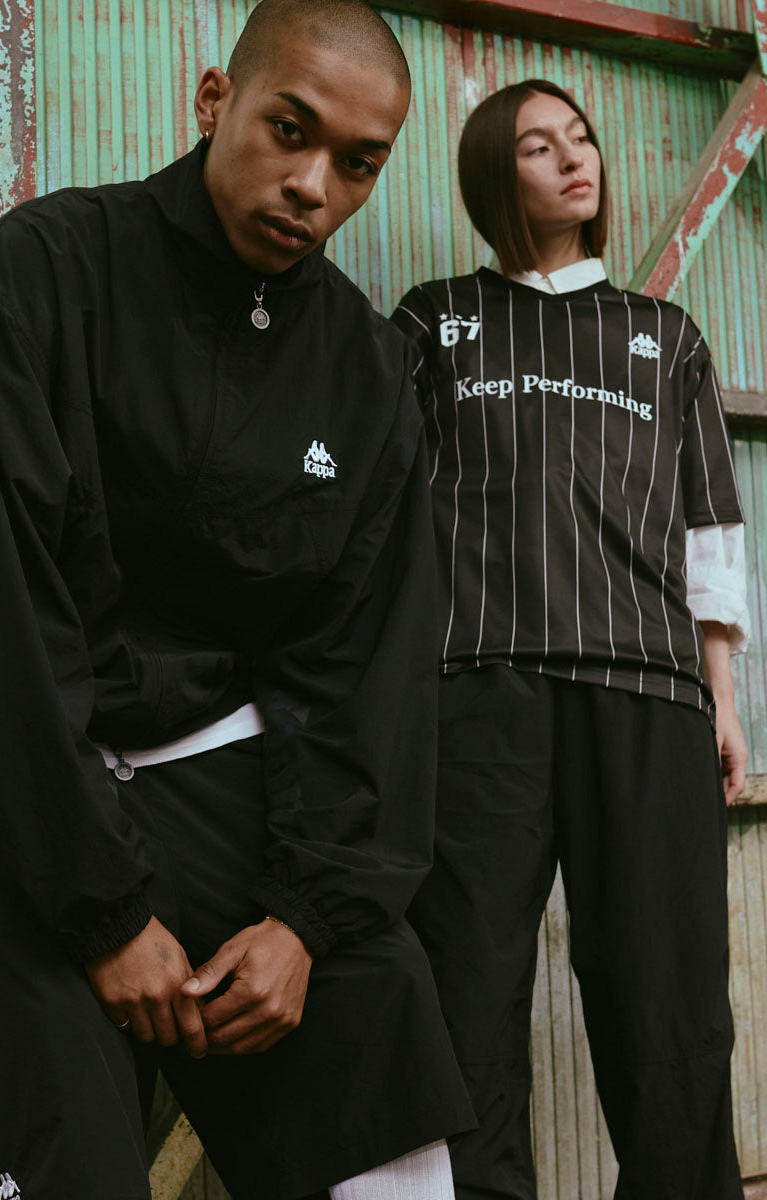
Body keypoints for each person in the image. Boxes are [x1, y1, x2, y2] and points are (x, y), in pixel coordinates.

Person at [0, 3, 476, 1198]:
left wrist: (304, 918)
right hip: (10, 751)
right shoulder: (49, 265)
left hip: (213, 752)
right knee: (62, 1134)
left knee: (377, 1038)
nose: (311, 186)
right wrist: (103, 913)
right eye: (288, 129)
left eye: (356, 164)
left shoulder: (366, 370)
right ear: (213, 100)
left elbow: (367, 667)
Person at [393, 79, 749, 1200]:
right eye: (537, 147)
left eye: (580, 139)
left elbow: (709, 531)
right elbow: (378, 512)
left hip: (647, 692)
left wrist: (724, 698)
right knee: (468, 993)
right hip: (475, 694)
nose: (572, 159)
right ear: (493, 177)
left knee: (668, 1004)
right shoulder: (432, 322)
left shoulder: (665, 338)